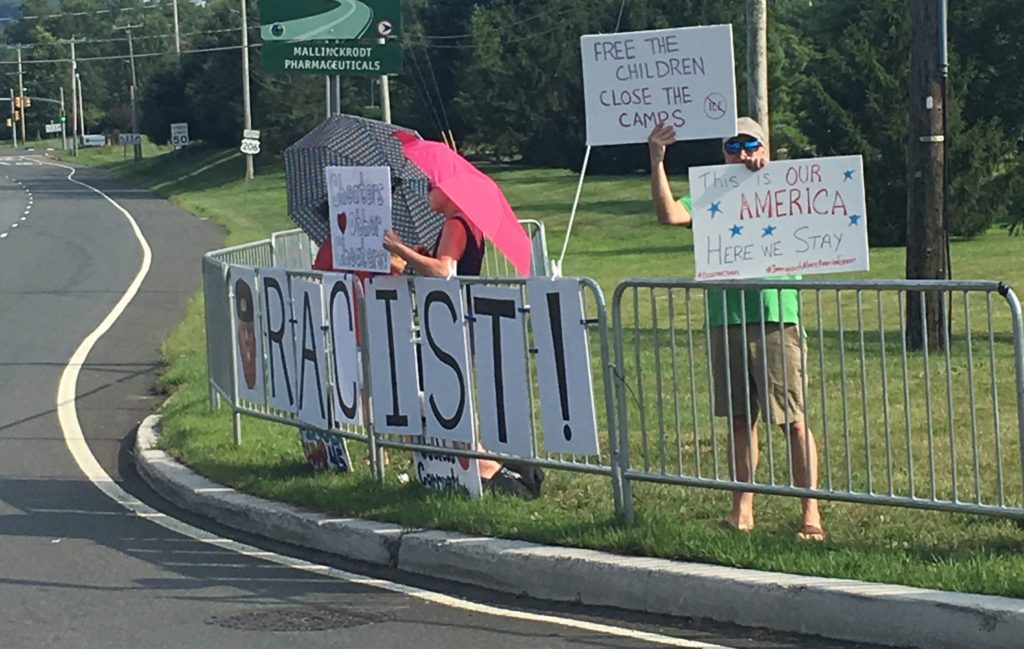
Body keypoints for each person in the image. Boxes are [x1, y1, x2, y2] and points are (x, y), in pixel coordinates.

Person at [648, 117, 824, 541]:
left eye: (750, 144)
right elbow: (670, 215)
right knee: (742, 421)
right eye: (733, 145)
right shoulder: (710, 194)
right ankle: (741, 508)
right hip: (725, 318)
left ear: (764, 146)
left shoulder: (782, 187)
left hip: (775, 315)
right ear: (722, 150)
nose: (741, 153)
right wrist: (656, 159)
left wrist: (770, 172)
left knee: (793, 421)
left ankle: (811, 515)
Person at [383, 181, 544, 500]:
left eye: (432, 186)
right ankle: (486, 467)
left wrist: (398, 250)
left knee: (444, 398)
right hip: (454, 318)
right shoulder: (464, 222)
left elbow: (444, 271)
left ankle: (492, 471)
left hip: (451, 321)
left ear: (451, 190)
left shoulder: (457, 223)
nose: (427, 191)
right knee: (445, 397)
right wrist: (419, 256)